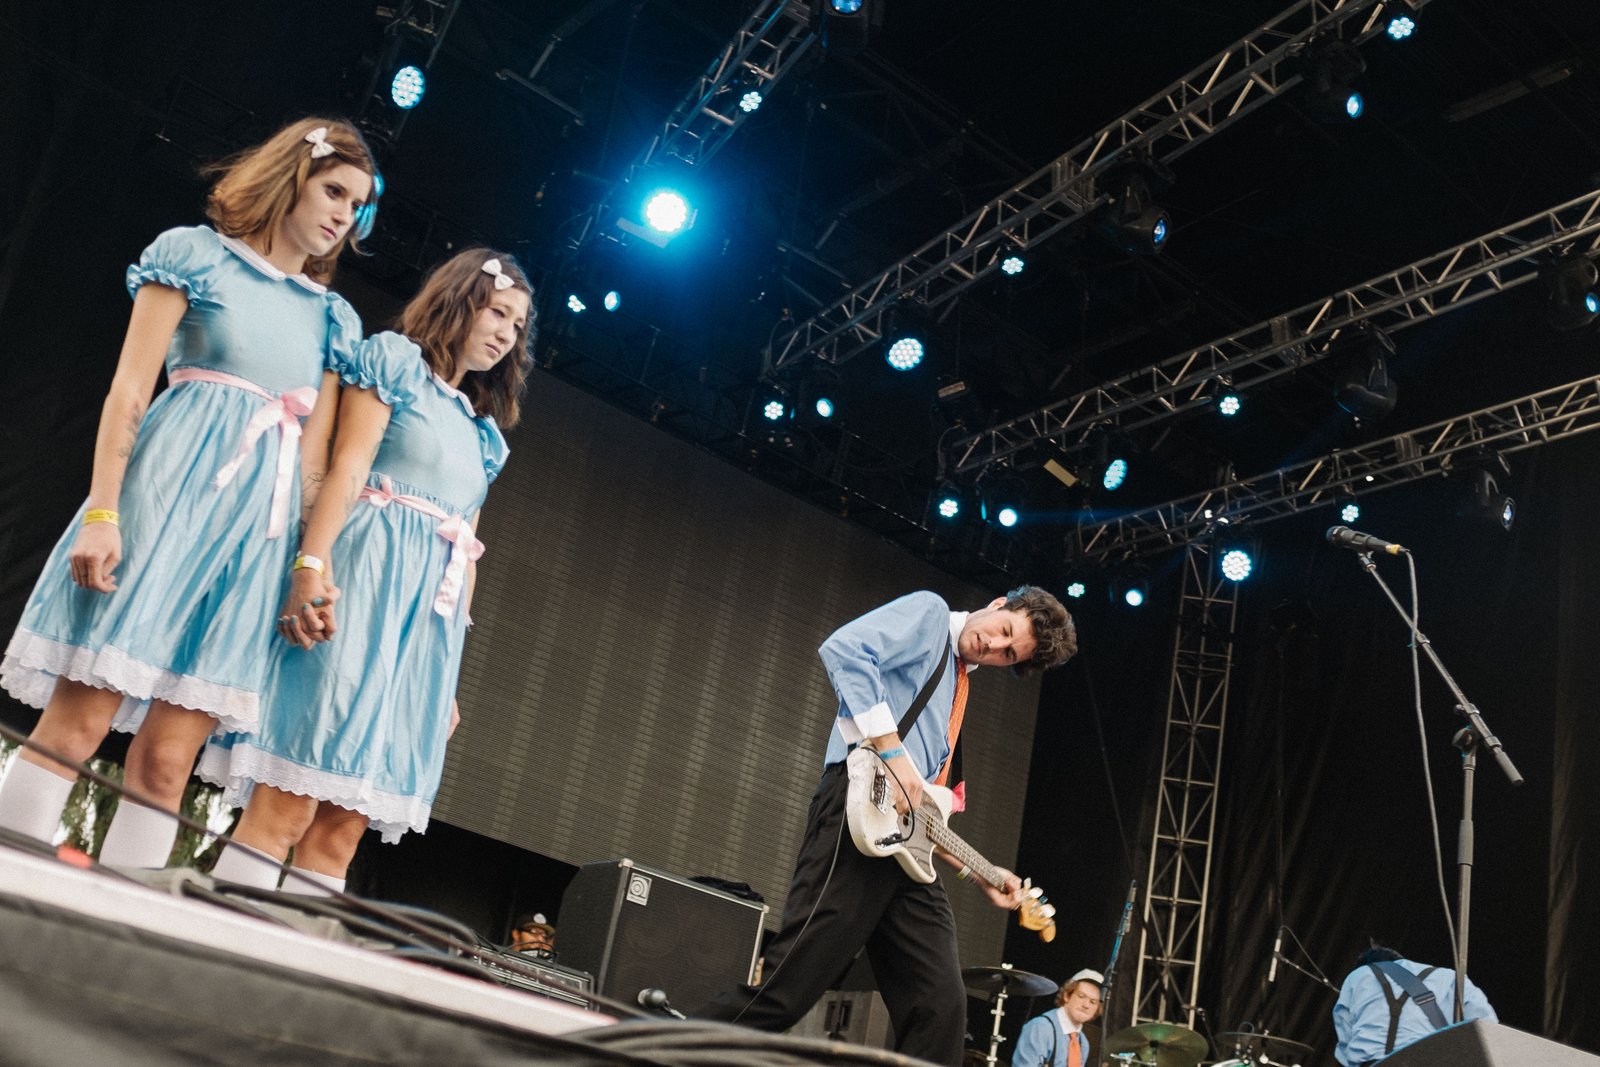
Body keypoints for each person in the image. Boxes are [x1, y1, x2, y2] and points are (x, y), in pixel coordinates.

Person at [0, 118, 377, 867]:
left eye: (358, 206)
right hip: (158, 511)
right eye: (335, 190)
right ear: (291, 177)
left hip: (249, 547)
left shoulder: (333, 320)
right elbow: (129, 392)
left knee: (167, 765)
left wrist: (310, 563)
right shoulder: (195, 256)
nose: (344, 214)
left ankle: (119, 948)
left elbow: (311, 462)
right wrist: (103, 511)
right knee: (76, 728)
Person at [195, 248, 532, 896]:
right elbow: (345, 470)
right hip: (359, 588)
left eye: (516, 325)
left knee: (344, 826)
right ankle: (210, 954)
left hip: (421, 635)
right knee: (289, 798)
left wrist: (445, 678)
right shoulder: (394, 362)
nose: (503, 332)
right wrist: (308, 567)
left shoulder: (481, 431)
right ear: (459, 298)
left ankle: (280, 982)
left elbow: (468, 552)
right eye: (496, 311)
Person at [697, 587, 1078, 1067]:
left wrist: (978, 872)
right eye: (1004, 632)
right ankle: (643, 1052)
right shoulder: (932, 614)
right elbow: (846, 648)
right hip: (855, 819)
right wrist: (893, 751)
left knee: (941, 1010)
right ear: (1000, 605)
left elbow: (923, 815)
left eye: (1009, 654)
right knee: (787, 992)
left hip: (901, 852)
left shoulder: (958, 690)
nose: (994, 648)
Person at [1333, 945, 1498, 1066]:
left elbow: (1345, 1047)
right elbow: (1487, 1028)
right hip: (1432, 1060)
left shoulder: (1357, 977)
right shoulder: (1450, 977)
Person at [1013, 969, 1103, 1067]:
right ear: (1066, 996)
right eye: (1081, 996)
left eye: (1093, 1002)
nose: (1086, 1005)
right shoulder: (1040, 1028)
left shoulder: (1083, 1042)